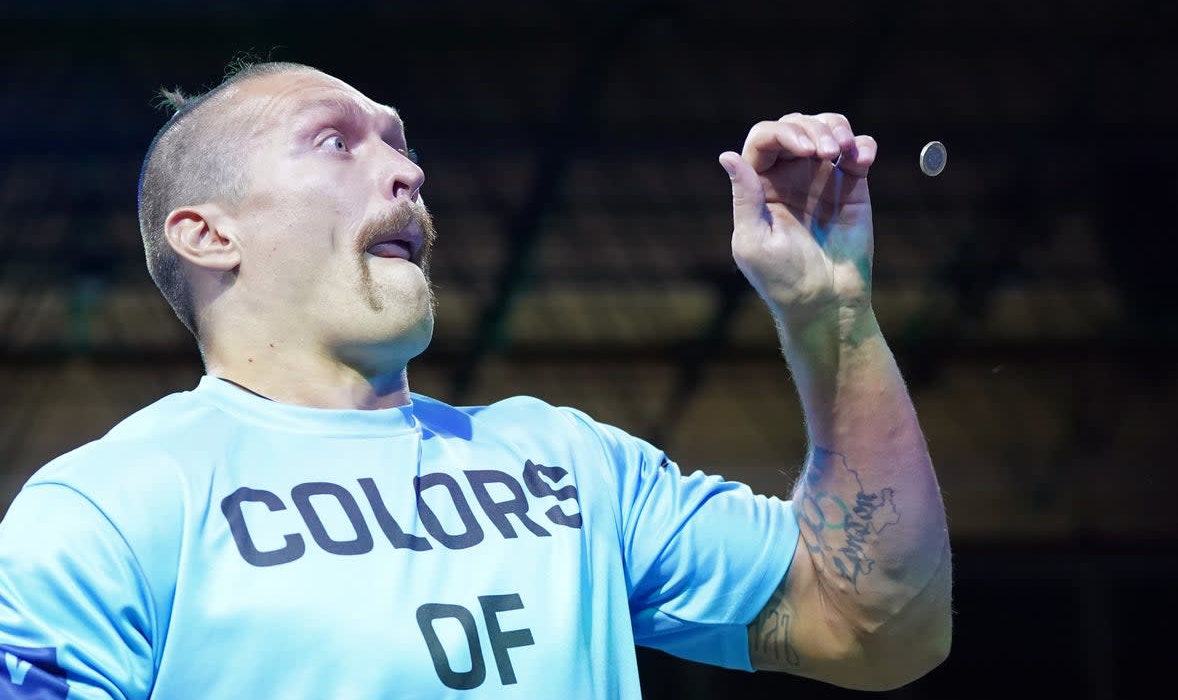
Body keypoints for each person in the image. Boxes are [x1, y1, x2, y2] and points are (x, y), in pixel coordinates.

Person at [0, 61, 952, 699]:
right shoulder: (110, 507)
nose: (407, 169)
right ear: (209, 232)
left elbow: (876, 625)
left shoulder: (572, 460)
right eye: (336, 142)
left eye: (399, 141)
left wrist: (829, 314)